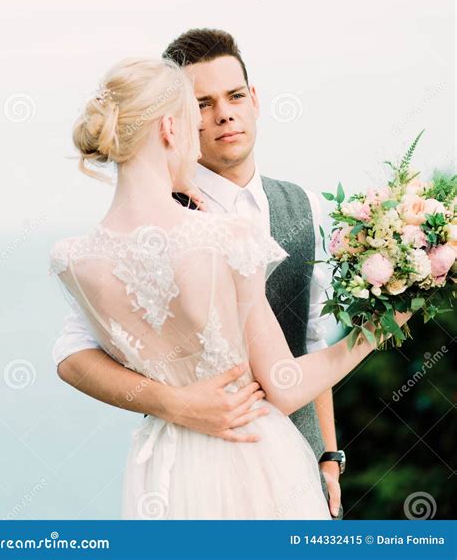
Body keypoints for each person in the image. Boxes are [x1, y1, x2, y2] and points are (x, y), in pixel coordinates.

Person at [49, 55, 411, 519]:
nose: (197, 151)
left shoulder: (74, 258)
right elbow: (285, 384)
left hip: (163, 469)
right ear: (169, 129)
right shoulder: (227, 237)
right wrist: (378, 330)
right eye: (192, 118)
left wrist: (329, 455)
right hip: (253, 458)